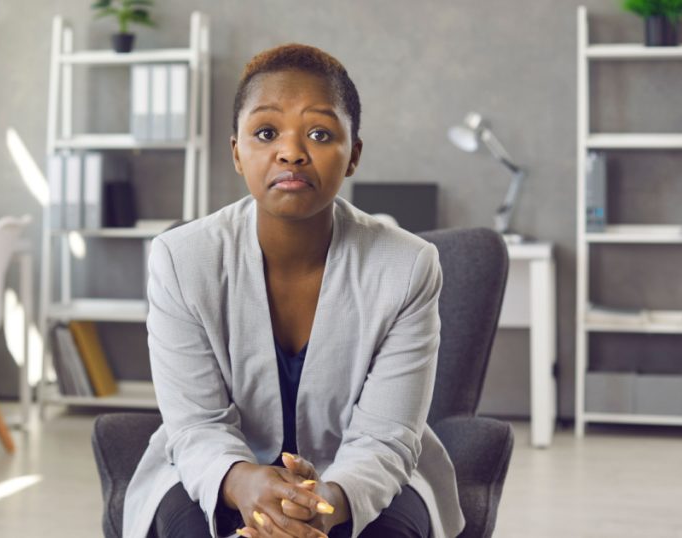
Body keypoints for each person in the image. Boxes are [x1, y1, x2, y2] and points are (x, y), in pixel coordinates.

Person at [122, 43, 465, 538]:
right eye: (265, 132)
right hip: (218, 470)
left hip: (363, 478)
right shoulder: (180, 259)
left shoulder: (408, 266)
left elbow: (385, 438)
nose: (291, 152)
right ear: (237, 152)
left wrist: (319, 503)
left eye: (320, 134)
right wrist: (245, 486)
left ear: (354, 156)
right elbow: (196, 425)